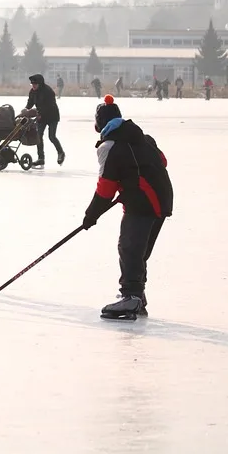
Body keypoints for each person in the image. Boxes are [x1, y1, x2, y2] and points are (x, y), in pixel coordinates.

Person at [82, 95, 173, 320]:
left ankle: (131, 296)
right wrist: (133, 180)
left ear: (99, 125)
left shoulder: (109, 146)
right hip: (162, 198)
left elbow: (105, 190)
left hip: (142, 202)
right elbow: (161, 161)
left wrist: (90, 216)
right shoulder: (143, 137)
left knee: (129, 248)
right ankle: (137, 296)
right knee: (138, 251)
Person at [26, 74, 65, 167]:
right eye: (32, 85)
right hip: (41, 117)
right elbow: (30, 103)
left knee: (52, 136)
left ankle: (61, 153)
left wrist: (40, 114)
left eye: (35, 84)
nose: (33, 86)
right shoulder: (32, 92)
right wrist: (26, 112)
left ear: (40, 84)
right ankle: (41, 158)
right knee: (38, 137)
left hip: (52, 116)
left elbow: (50, 105)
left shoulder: (48, 91)